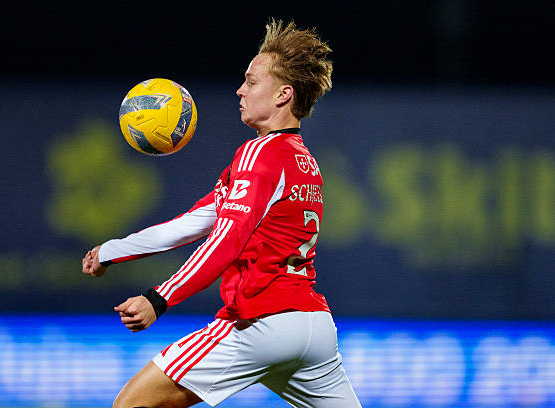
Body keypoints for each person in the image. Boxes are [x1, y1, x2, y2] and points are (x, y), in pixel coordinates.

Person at [82, 18, 362, 408]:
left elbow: (226, 241)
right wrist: (112, 251)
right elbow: (190, 225)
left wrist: (158, 298)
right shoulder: (303, 162)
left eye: (251, 81)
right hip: (312, 328)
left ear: (283, 95)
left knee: (131, 404)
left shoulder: (259, 153)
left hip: (259, 323)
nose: (240, 90)